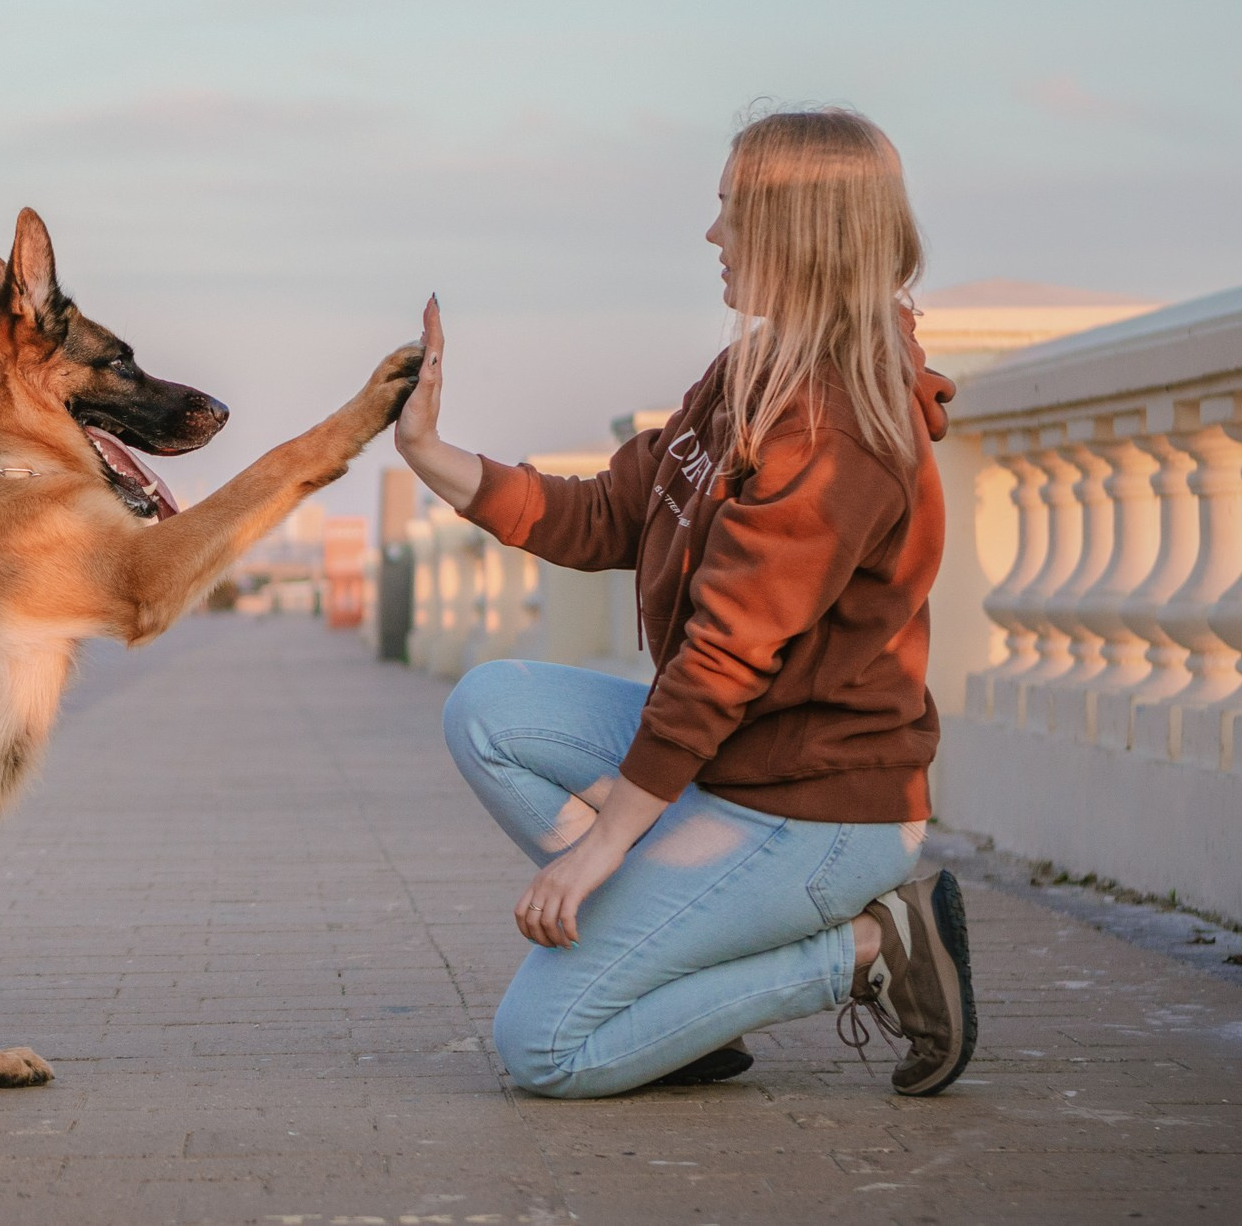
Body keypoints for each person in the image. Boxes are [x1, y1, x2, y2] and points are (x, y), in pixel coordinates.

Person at [393, 106, 975, 1099]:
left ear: (800, 231)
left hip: (817, 811)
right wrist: (430, 456)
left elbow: (722, 659)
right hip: (731, 767)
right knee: (487, 708)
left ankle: (874, 950)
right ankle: (670, 982)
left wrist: (603, 850)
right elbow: (614, 512)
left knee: (544, 1050)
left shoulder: (839, 429)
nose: (712, 236)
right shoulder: (752, 372)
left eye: (731, 213)